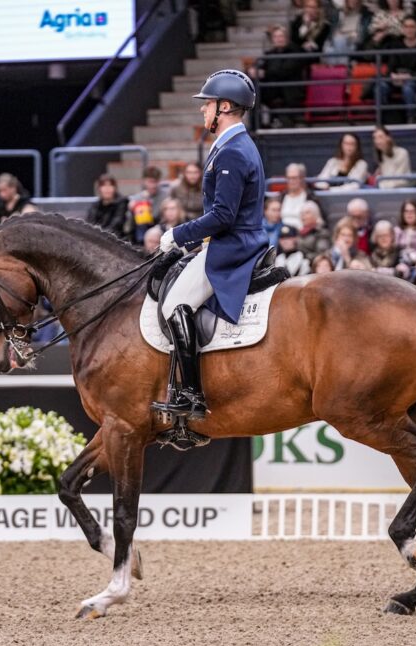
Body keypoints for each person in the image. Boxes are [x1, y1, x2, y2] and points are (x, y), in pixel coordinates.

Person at [154, 70, 270, 420]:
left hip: (232, 246)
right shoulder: (233, 145)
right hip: (232, 240)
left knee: (174, 304)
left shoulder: (233, 151)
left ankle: (191, 394)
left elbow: (222, 216)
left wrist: (178, 235)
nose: (202, 110)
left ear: (225, 107)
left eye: (207, 105)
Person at [377, 16, 416, 124]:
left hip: (415, 79)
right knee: (381, 86)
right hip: (397, 79)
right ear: (402, 29)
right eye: (406, 27)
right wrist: (394, 76)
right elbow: (391, 67)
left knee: (408, 88)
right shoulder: (396, 45)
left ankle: (411, 118)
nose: (409, 30)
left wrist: (408, 76)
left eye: (412, 27)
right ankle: (383, 118)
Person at [254, 25, 306, 127]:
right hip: (273, 88)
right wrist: (253, 69)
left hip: (289, 89)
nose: (279, 39)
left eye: (281, 36)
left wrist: (265, 73)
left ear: (286, 38)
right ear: (272, 40)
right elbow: (261, 65)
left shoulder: (294, 51)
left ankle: (281, 121)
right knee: (252, 93)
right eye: (276, 37)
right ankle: (257, 126)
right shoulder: (270, 53)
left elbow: (284, 71)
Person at [127, 166, 165, 244]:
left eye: (155, 182)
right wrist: (132, 209)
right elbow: (129, 220)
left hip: (159, 227)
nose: (153, 185)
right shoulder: (137, 198)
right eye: (150, 182)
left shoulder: (165, 196)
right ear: (144, 181)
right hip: (142, 229)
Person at [279, 163, 322, 229]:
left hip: (303, 233)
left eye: (294, 178)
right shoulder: (281, 197)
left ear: (302, 178)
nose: (291, 181)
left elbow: (319, 221)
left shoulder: (311, 197)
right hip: (282, 232)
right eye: (289, 178)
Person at [85, 174, 128, 239]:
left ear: (115, 188)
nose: (107, 189)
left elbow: (117, 223)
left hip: (116, 239)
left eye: (110, 185)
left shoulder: (122, 202)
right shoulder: (95, 205)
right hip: (96, 238)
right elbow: (90, 223)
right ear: (99, 188)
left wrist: (102, 235)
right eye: (104, 186)